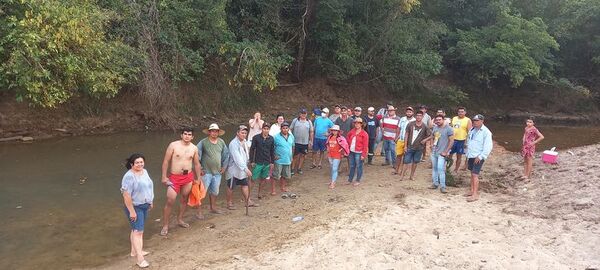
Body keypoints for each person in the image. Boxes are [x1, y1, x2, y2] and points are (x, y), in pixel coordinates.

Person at [160, 127, 202, 236]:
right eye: (185, 134)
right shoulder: (173, 145)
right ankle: (165, 225)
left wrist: (198, 178)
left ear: (192, 137)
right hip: (174, 177)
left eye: (189, 134)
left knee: (184, 199)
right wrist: (164, 177)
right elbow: (166, 161)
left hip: (188, 177)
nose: (187, 136)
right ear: (181, 135)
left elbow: (196, 164)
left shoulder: (194, 148)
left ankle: (180, 219)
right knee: (170, 200)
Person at [121, 153, 154, 268]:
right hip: (135, 206)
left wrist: (150, 200)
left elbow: (149, 186)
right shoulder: (129, 176)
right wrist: (132, 211)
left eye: (141, 162)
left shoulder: (144, 171)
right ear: (132, 164)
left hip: (144, 204)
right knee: (138, 231)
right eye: (137, 162)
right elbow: (126, 195)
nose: (140, 164)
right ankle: (140, 259)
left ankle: (134, 251)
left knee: (137, 230)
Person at [196, 123, 229, 218]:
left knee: (214, 192)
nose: (214, 133)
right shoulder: (203, 142)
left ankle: (213, 208)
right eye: (212, 131)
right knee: (201, 193)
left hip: (217, 172)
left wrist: (224, 167)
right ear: (209, 132)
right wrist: (200, 169)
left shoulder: (221, 142)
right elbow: (196, 155)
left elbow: (226, 155)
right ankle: (199, 211)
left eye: (216, 131)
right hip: (206, 172)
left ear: (218, 132)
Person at [226, 125, 255, 210]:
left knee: (244, 184)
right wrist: (245, 169)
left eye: (245, 133)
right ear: (237, 133)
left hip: (243, 168)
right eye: (242, 133)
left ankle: (248, 201)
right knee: (230, 186)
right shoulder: (233, 144)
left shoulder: (245, 142)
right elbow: (237, 158)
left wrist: (249, 163)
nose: (244, 134)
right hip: (233, 169)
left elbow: (247, 154)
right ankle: (229, 203)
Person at [465, 114, 493, 202]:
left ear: (482, 121)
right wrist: (467, 154)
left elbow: (488, 146)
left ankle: (475, 194)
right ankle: (472, 190)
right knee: (471, 173)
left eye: (477, 121)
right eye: (474, 120)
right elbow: (469, 142)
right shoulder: (472, 130)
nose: (475, 122)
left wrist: (481, 156)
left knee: (475, 174)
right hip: (471, 154)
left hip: (478, 156)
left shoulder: (486, 132)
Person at [400, 111, 432, 180]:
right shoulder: (410, 124)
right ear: (415, 116)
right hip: (409, 146)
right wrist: (405, 145)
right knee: (406, 161)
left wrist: (425, 140)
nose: (418, 117)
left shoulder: (425, 126)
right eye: (417, 115)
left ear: (422, 117)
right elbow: (406, 134)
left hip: (419, 148)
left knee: (415, 162)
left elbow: (431, 135)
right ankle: (402, 176)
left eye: (420, 115)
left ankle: (411, 176)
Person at [249, 123, 275, 199]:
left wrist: (272, 162)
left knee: (263, 178)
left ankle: (259, 193)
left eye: (267, 129)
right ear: (262, 129)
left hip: (267, 162)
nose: (266, 130)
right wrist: (252, 161)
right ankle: (248, 195)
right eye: (264, 128)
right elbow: (252, 150)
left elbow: (272, 151)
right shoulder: (256, 138)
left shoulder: (271, 139)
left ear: (269, 130)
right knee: (253, 179)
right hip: (258, 162)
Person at [429, 115, 454, 193]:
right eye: (436, 120)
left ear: (443, 120)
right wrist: (431, 144)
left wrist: (446, 152)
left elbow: (451, 141)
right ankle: (435, 183)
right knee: (434, 168)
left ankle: (443, 186)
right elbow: (432, 136)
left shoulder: (449, 129)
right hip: (434, 151)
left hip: (442, 153)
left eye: (440, 120)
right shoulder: (435, 127)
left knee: (440, 169)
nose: (438, 121)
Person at [346, 118, 369, 186]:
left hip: (359, 152)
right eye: (355, 123)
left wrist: (363, 155)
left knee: (359, 166)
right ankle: (350, 180)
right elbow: (347, 137)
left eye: (358, 123)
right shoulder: (352, 131)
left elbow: (365, 145)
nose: (357, 124)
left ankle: (358, 180)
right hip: (352, 151)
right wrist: (348, 146)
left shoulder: (364, 134)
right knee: (352, 166)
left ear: (361, 124)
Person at [290, 108, 313, 175]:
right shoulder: (295, 120)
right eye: (302, 113)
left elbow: (311, 132)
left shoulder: (309, 122)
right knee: (295, 156)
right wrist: (290, 139)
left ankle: (299, 168)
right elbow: (290, 129)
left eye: (305, 113)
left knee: (303, 155)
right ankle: (292, 168)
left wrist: (311, 141)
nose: (303, 115)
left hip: (305, 142)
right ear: (300, 114)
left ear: (306, 114)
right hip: (296, 142)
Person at [273, 122, 295, 193]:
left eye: (286, 128)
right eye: (283, 128)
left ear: (288, 129)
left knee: (284, 175)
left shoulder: (291, 136)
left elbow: (293, 146)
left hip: (287, 159)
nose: (285, 130)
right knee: (275, 176)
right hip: (279, 160)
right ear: (280, 129)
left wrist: (291, 156)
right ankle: (273, 190)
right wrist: (273, 155)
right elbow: (271, 147)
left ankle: (283, 187)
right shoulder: (276, 137)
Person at [450, 107, 472, 173]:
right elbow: (451, 127)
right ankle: (448, 168)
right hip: (452, 139)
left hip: (461, 140)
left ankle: (456, 169)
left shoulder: (468, 120)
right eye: (459, 111)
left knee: (459, 156)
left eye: (462, 111)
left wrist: (466, 142)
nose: (460, 113)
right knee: (449, 155)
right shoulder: (454, 118)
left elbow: (469, 132)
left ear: (465, 112)